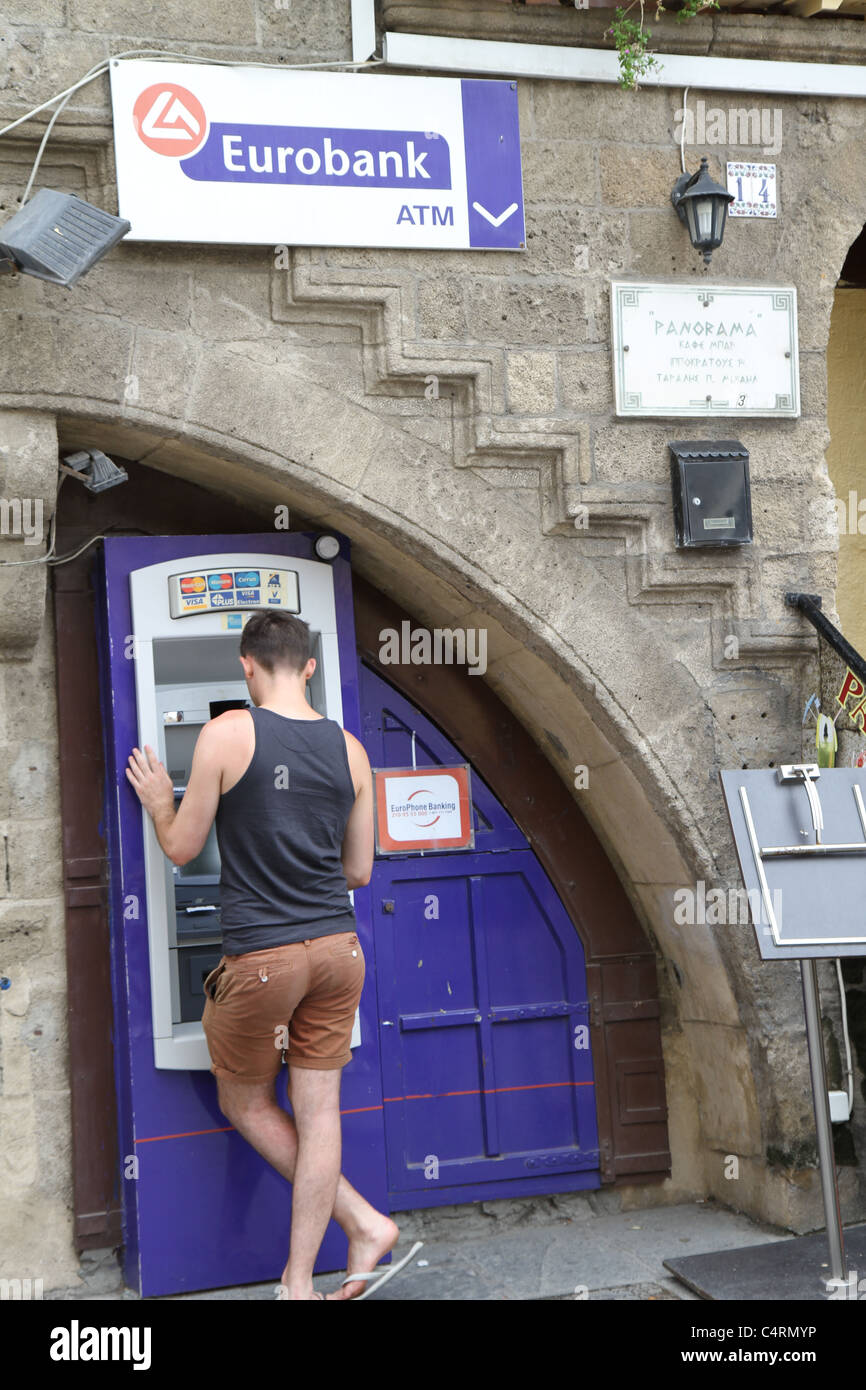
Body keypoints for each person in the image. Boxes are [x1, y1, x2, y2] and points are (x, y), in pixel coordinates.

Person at [126, 608, 400, 1301]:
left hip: (264, 955)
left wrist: (161, 801)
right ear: (308, 667)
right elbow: (361, 870)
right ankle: (314, 1268)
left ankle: (339, 1247)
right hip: (339, 949)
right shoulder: (351, 749)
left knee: (245, 1100)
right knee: (320, 1113)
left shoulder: (225, 732)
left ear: (245, 666)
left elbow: (183, 849)